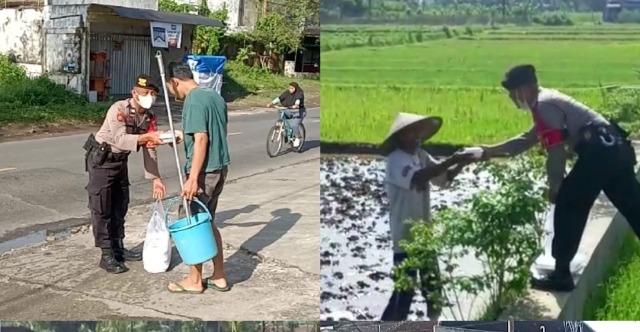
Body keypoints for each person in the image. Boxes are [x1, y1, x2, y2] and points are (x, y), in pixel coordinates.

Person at [468, 64, 640, 291]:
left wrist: (556, 184)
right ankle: (561, 272)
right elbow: (525, 141)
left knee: (568, 202)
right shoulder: (549, 102)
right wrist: (488, 151)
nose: (512, 99)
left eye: (513, 93)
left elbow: (556, 149)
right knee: (634, 205)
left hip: (598, 152)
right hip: (617, 149)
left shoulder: (545, 105)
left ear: (526, 88)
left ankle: (561, 275)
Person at [380, 112, 474, 320]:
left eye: (418, 132)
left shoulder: (420, 155)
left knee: (434, 291)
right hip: (406, 239)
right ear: (401, 136)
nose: (417, 137)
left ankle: (433, 324)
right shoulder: (395, 160)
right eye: (412, 132)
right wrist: (453, 159)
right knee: (404, 293)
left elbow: (442, 178)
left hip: (425, 237)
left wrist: (460, 163)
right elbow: (418, 177)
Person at [83, 74, 168, 274]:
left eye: (153, 94)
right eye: (145, 93)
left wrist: (156, 178)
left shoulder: (148, 117)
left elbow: (150, 147)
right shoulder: (119, 109)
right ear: (134, 93)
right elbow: (120, 140)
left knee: (120, 205)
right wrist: (148, 136)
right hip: (102, 161)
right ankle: (106, 254)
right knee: (102, 207)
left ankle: (118, 247)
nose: (149, 97)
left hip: (120, 162)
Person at [165, 62, 230, 294]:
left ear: (174, 82)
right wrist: (186, 138)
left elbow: (202, 138)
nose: (172, 93)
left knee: (192, 223)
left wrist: (192, 178)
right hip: (220, 167)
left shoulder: (193, 100)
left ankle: (194, 280)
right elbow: (212, 131)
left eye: (169, 88)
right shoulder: (214, 96)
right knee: (208, 221)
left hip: (203, 172)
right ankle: (219, 275)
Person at [267, 82, 306, 148]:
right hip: (289, 110)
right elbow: (279, 98)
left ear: (296, 88)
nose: (290, 90)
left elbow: (298, 100)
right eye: (289, 88)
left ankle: (297, 137)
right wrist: (271, 103)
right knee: (282, 111)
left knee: (294, 124)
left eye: (292, 88)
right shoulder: (287, 92)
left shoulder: (299, 93)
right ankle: (280, 126)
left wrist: (296, 105)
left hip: (298, 112)